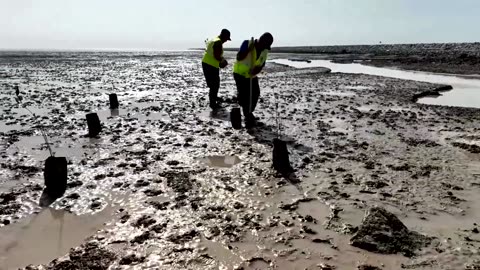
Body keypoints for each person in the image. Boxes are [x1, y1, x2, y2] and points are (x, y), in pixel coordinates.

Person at [233, 32, 274, 128]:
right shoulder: (247, 43)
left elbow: (262, 64)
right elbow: (239, 57)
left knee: (255, 94)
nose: (265, 48)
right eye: (265, 45)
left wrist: (256, 70)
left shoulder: (265, 50)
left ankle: (248, 112)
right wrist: (248, 50)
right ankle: (247, 115)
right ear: (260, 41)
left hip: (252, 75)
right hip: (240, 74)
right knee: (244, 96)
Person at [202, 29, 231, 110]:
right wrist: (223, 61)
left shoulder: (214, 39)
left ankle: (213, 99)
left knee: (213, 84)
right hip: (210, 65)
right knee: (215, 85)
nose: (226, 41)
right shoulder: (218, 42)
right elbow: (217, 55)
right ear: (223, 36)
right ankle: (213, 103)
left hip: (206, 63)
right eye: (226, 38)